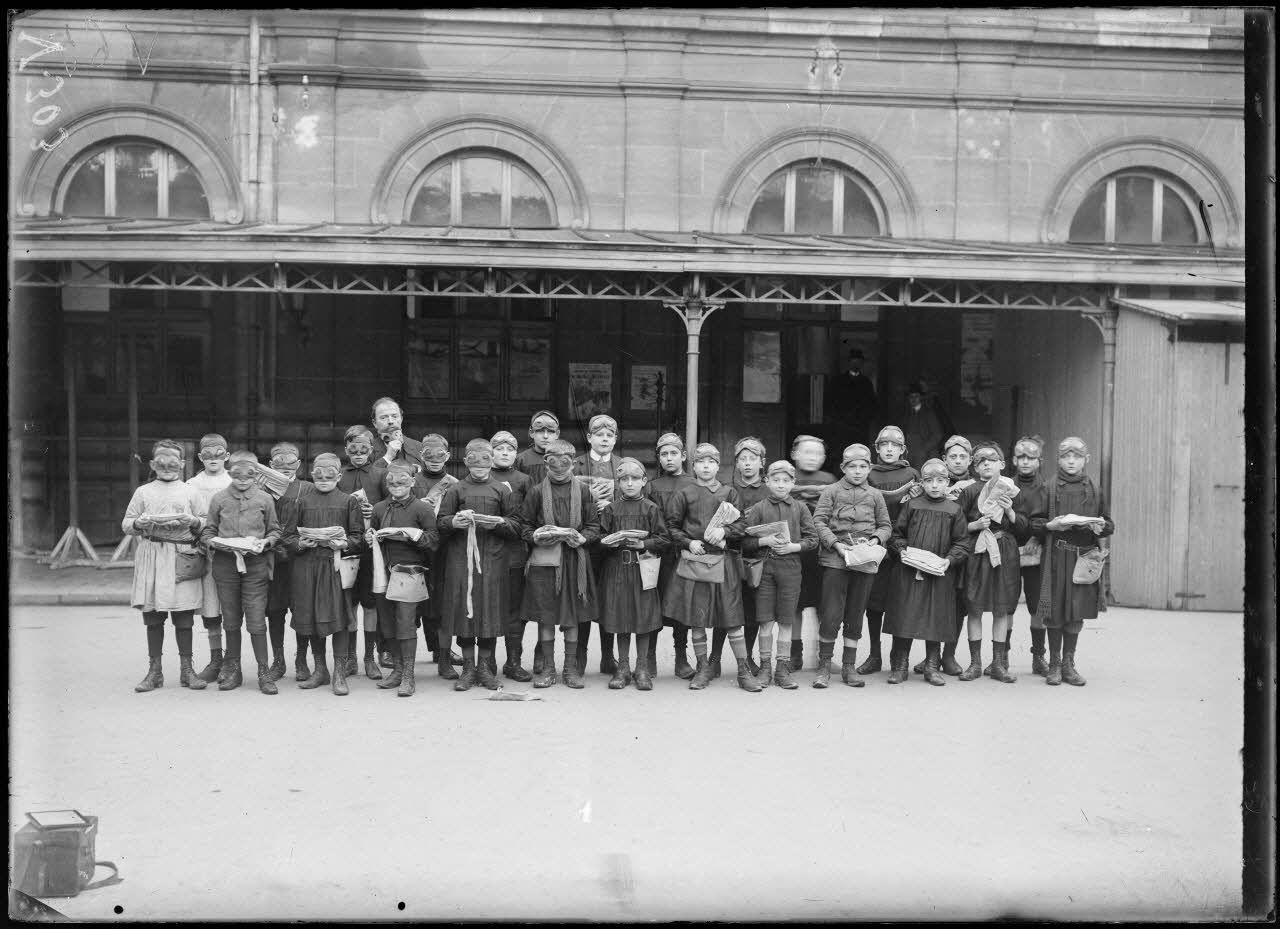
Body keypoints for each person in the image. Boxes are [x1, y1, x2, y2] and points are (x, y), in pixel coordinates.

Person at [663, 443, 761, 692]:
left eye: (711, 462)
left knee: (731, 618)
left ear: (718, 466)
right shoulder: (684, 493)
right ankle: (703, 668)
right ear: (693, 465)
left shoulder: (729, 493)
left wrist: (725, 531)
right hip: (696, 562)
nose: (706, 466)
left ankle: (743, 670)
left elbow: (742, 524)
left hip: (724, 562)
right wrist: (689, 541)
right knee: (698, 619)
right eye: (701, 462)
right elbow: (671, 526)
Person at [122, 440, 209, 693]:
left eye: (173, 463)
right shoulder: (143, 492)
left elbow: (204, 522)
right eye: (161, 462)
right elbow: (126, 524)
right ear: (152, 464)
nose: (167, 467)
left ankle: (187, 671)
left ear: (182, 464)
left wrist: (192, 520)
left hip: (182, 554)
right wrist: (140, 522)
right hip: (152, 555)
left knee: (183, 617)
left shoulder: (191, 492)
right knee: (153, 617)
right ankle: (154, 672)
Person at [438, 439, 522, 691]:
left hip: (493, 562)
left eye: (485, 459)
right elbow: (441, 522)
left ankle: (485, 668)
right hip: (461, 561)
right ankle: (468, 668)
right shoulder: (455, 490)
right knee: (465, 614)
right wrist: (455, 522)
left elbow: (516, 525)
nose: (479, 465)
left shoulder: (502, 490)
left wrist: (497, 523)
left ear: (492, 460)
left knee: (489, 613)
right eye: (473, 459)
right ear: (465, 461)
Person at [1033, 436, 1114, 687]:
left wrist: (1101, 527)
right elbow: (1034, 524)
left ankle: (1069, 664)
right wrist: (1050, 525)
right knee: (1055, 611)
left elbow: (1109, 523)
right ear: (1058, 459)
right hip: (1056, 557)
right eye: (1066, 456)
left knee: (1076, 611)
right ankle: (1055, 664)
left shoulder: (1095, 489)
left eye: (1076, 457)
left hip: (1083, 557)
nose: (1071, 461)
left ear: (1085, 460)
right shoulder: (1047, 487)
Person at [199, 450, 283, 694]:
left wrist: (266, 543)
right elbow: (207, 531)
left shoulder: (265, 499)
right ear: (230, 473)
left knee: (256, 618)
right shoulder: (219, 499)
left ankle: (264, 671)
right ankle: (233, 669)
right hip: (226, 564)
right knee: (231, 618)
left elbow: (274, 530)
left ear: (256, 475)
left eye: (249, 475)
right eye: (237, 474)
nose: (243, 479)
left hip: (255, 564)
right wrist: (214, 542)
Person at [521, 438, 601, 689]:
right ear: (546, 464)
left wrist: (582, 537)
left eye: (565, 465)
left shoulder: (584, 491)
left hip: (574, 561)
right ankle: (547, 668)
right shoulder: (535, 492)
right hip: (545, 563)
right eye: (553, 465)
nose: (559, 470)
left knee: (572, 617)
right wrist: (535, 535)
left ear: (573, 464)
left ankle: (570, 668)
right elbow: (524, 526)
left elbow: (594, 526)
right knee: (546, 617)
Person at [282, 453, 364, 694]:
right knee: (311, 618)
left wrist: (344, 543)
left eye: (330, 474)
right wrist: (301, 544)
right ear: (311, 473)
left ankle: (339, 673)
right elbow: (288, 536)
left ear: (339, 476)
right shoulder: (302, 502)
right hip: (306, 567)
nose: (324, 478)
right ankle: (320, 670)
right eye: (319, 473)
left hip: (335, 567)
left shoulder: (349, 501)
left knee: (337, 619)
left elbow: (358, 537)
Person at [811, 443, 891, 688]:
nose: (857, 471)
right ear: (843, 467)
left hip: (864, 560)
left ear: (869, 468)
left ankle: (849, 666)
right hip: (836, 559)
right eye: (852, 466)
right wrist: (835, 544)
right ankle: (824, 665)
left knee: (856, 613)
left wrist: (875, 539)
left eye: (863, 466)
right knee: (831, 613)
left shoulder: (876, 495)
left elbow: (885, 526)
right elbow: (819, 520)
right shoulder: (832, 491)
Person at [884, 458, 970, 685]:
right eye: (929, 481)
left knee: (936, 617)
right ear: (921, 483)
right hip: (909, 571)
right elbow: (896, 533)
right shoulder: (912, 506)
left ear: (948, 482)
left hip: (939, 573)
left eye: (940, 480)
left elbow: (962, 542)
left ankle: (932, 666)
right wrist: (901, 550)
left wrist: (949, 560)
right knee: (905, 615)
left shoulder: (954, 509)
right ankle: (900, 666)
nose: (934, 485)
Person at [954, 443, 1030, 683]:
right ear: (974, 466)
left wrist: (1010, 514)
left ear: (1002, 464)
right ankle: (975, 663)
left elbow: (1024, 530)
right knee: (974, 607)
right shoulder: (968, 491)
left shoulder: (1011, 490)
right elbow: (954, 527)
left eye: (991, 459)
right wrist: (973, 526)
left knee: (1001, 608)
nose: (986, 463)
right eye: (980, 460)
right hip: (976, 553)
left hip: (1004, 552)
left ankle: (998, 663)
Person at [741, 460, 818, 690]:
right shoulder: (758, 508)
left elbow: (812, 539)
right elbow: (745, 540)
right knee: (765, 619)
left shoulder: (801, 508)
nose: (781, 485)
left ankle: (782, 668)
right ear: (767, 481)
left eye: (786, 480)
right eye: (776, 480)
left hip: (791, 567)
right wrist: (765, 540)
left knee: (785, 619)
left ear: (793, 482)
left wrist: (793, 547)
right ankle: (765, 668)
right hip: (765, 568)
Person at [596, 457, 671, 691]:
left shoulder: (651, 508)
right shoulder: (611, 509)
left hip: (643, 570)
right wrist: (608, 542)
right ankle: (623, 668)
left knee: (643, 618)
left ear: (644, 481)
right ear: (618, 483)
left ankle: (642, 669)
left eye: (635, 479)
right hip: (617, 570)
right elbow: (599, 539)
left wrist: (644, 544)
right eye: (624, 479)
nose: (629, 483)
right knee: (622, 618)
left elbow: (663, 538)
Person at [366, 462, 439, 697]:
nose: (396, 485)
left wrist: (412, 535)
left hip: (409, 572)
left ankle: (408, 675)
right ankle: (397, 670)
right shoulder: (379, 508)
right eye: (391, 482)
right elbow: (373, 535)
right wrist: (371, 536)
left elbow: (433, 541)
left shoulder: (422, 509)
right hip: (382, 572)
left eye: (402, 481)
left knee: (405, 622)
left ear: (412, 482)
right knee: (387, 623)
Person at [860, 426, 921, 675]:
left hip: (904, 543)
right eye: (884, 445)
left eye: (894, 446)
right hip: (876, 542)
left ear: (902, 449)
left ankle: (900, 658)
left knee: (902, 602)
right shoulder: (868, 474)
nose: (889, 449)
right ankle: (875, 655)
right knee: (874, 603)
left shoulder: (913, 474)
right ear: (876, 449)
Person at [914, 434, 976, 676]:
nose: (958, 461)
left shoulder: (975, 485)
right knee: (933, 603)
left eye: (962, 457)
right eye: (953, 457)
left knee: (958, 606)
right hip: (936, 552)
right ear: (944, 459)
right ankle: (932, 656)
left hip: (965, 553)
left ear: (970, 460)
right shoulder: (935, 484)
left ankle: (948, 655)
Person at [709, 437, 770, 679]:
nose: (747, 464)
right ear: (735, 463)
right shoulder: (726, 489)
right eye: (742, 459)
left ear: (761, 462)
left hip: (757, 556)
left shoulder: (767, 491)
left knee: (753, 609)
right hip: (730, 555)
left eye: (752, 459)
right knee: (726, 607)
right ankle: (714, 659)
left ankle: (748, 658)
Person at [573, 413, 624, 676]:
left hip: (613, 541)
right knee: (583, 596)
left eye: (610, 435)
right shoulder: (576, 465)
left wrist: (613, 505)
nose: (605, 439)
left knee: (609, 598)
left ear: (615, 439)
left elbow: (635, 497)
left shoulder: (624, 466)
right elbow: (565, 498)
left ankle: (607, 656)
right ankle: (579, 656)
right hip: (585, 541)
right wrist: (589, 502)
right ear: (590, 437)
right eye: (599, 434)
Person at [644, 432, 696, 679]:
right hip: (658, 553)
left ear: (683, 456)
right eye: (664, 454)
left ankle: (681, 657)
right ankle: (650, 657)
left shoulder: (693, 484)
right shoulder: (652, 487)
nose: (669, 458)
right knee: (654, 602)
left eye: (674, 453)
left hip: (683, 553)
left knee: (681, 605)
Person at [338, 425, 387, 680]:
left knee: (370, 604)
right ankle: (349, 658)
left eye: (364, 449)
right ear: (346, 449)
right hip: (345, 546)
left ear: (372, 450)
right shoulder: (339, 475)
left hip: (370, 548)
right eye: (353, 449)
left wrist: (375, 511)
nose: (358, 453)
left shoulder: (381, 474)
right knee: (349, 603)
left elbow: (391, 505)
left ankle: (370, 657)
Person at [262, 442, 312, 682]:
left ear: (299, 464)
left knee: (301, 610)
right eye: (279, 462)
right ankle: (278, 660)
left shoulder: (309, 489)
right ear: (271, 465)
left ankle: (301, 658)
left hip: (301, 558)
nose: (285, 467)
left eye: (291, 462)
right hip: (271, 558)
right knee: (274, 610)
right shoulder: (260, 490)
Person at [186, 433, 232, 685]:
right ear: (200, 456)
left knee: (231, 608)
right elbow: (187, 516)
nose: (213, 459)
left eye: (218, 453)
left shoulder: (234, 481)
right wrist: (200, 533)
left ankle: (231, 660)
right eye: (207, 454)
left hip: (230, 551)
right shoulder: (191, 484)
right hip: (205, 551)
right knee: (211, 608)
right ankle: (216, 659)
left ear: (226, 456)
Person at [490, 430, 535, 681]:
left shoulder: (524, 480)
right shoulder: (482, 474)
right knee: (489, 606)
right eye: (499, 448)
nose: (505, 453)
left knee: (514, 609)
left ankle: (513, 661)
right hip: (489, 551)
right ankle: (487, 661)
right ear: (491, 452)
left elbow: (529, 516)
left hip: (515, 551)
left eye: (510, 449)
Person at [789, 435, 836, 672]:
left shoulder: (829, 480)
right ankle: (793, 654)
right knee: (795, 605)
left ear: (824, 458)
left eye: (817, 453)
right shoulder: (787, 478)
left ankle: (823, 654)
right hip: (794, 552)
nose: (811, 457)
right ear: (794, 454)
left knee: (823, 604)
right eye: (806, 452)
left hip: (822, 553)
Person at [416, 433, 462, 677]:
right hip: (416, 547)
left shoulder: (455, 484)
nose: (434, 459)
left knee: (442, 600)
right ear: (421, 455)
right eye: (428, 455)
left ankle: (442, 651)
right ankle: (402, 653)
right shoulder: (411, 480)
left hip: (444, 548)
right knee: (416, 600)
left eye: (439, 455)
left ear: (448, 456)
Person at [1009, 435, 1050, 676]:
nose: (1025, 462)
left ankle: (1038, 657)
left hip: (1037, 553)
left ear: (1039, 461)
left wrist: (1039, 535)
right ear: (1014, 459)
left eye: (1030, 458)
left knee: (1038, 607)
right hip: (1011, 551)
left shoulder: (1047, 488)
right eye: (1021, 457)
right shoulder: (1005, 484)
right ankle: (1001, 658)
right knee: (1007, 606)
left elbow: (1051, 517)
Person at [826, 348, 879, 449]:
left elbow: (872, 405)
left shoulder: (866, 383)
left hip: (860, 428)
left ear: (862, 364)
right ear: (849, 363)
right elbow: (830, 403)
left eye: (858, 362)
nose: (856, 364)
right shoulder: (838, 381)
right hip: (842, 427)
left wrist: (864, 419)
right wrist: (838, 420)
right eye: (853, 361)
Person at [369, 397, 426, 473]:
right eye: (383, 418)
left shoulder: (419, 447)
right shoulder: (367, 449)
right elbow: (366, 480)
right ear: (375, 423)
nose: (390, 421)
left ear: (401, 419)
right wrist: (388, 457)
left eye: (394, 416)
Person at [901, 380, 945, 464]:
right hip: (908, 452)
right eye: (911, 397)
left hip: (926, 452)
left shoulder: (929, 413)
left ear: (920, 397)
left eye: (916, 396)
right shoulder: (905, 414)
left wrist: (924, 449)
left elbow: (937, 435)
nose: (913, 399)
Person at [515, 410, 561, 486]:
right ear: (532, 433)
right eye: (540, 431)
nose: (545, 436)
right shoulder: (520, 460)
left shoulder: (564, 459)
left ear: (557, 434)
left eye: (550, 432)